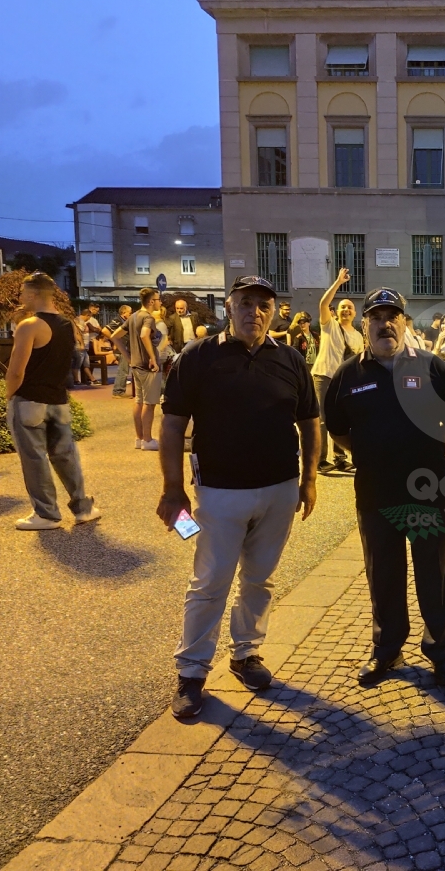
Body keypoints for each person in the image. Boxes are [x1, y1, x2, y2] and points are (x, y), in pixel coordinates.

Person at [157, 275, 320, 719]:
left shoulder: (290, 359)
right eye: (246, 303)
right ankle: (191, 672)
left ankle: (246, 654)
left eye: (264, 305)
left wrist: (308, 480)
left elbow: (309, 422)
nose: (256, 312)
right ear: (229, 307)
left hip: (279, 491)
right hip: (220, 493)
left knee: (260, 580)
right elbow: (172, 425)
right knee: (209, 583)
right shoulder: (199, 356)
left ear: (275, 311)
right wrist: (173, 490)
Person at [323, 287, 445, 686]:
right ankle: (387, 649)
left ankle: (439, 650)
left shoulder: (432, 366)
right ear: (365, 324)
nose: (385, 323)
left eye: (393, 316)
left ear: (405, 322)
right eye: (376, 317)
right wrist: (373, 454)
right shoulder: (348, 375)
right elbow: (338, 430)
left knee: (433, 575)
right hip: (376, 492)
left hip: (427, 490)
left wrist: (428, 445)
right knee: (382, 573)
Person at [4, 273, 100, 530]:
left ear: (34, 294)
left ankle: (46, 514)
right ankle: (83, 508)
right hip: (59, 400)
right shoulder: (67, 324)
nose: (21, 297)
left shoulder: (29, 326)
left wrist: (8, 395)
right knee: (65, 456)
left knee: (34, 458)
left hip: (30, 401)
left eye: (23, 293)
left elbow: (16, 371)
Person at [311, 269, 365, 474]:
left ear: (355, 313)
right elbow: (323, 304)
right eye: (342, 307)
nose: (346, 310)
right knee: (323, 419)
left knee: (342, 418)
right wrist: (338, 282)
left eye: (350, 308)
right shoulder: (329, 326)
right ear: (337, 311)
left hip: (344, 380)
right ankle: (320, 460)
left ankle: (340, 457)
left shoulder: (358, 336)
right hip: (324, 375)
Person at [125, 288, 163, 450]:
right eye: (158, 299)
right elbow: (144, 334)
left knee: (139, 401)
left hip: (136, 364)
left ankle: (139, 438)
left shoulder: (133, 317)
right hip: (148, 366)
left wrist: (128, 356)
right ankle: (147, 440)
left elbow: (113, 335)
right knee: (149, 403)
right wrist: (153, 358)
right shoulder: (148, 317)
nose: (160, 302)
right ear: (151, 302)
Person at [104, 304, 133, 397]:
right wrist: (115, 341)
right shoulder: (118, 320)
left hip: (125, 348)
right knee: (123, 370)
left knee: (124, 369)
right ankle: (118, 391)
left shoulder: (124, 321)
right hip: (122, 349)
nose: (131, 314)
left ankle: (119, 390)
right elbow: (105, 330)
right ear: (124, 313)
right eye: (130, 312)